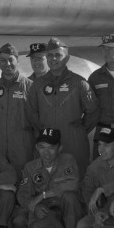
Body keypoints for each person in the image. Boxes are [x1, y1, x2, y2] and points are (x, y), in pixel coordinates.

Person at [26, 37, 99, 178]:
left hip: (73, 142)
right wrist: (44, 130)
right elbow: (31, 112)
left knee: (76, 178)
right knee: (48, 179)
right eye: (50, 55)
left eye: (58, 55)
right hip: (47, 143)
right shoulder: (37, 84)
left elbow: (93, 111)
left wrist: (80, 130)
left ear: (67, 58)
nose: (53, 59)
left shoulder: (79, 83)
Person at [12, 128, 84, 228]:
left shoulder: (67, 161)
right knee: (17, 220)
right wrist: (35, 206)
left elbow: (73, 184)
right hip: (46, 213)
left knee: (70, 197)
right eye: (42, 147)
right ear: (36, 148)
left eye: (51, 148)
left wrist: (43, 195)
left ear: (60, 148)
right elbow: (22, 195)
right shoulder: (30, 167)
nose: (46, 153)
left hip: (66, 214)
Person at [0, 43, 36, 188]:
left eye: (11, 60)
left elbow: (37, 120)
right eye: (3, 60)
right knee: (1, 182)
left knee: (24, 181)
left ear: (17, 61)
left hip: (23, 146)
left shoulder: (29, 87)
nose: (7, 64)